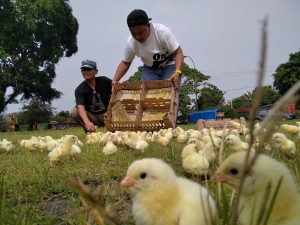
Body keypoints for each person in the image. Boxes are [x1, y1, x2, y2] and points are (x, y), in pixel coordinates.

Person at [112, 9, 184, 89]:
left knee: (170, 90)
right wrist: (115, 80)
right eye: (134, 34)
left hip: (169, 65)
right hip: (150, 69)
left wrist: (177, 72)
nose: (137, 37)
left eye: (141, 33)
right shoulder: (131, 43)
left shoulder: (162, 32)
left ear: (148, 25)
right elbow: (125, 63)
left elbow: (178, 53)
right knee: (145, 94)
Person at [71, 60, 112, 133]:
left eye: (89, 69)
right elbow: (80, 107)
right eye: (84, 70)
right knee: (74, 111)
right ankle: (90, 132)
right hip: (92, 116)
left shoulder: (104, 80)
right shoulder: (79, 89)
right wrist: (87, 122)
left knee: (119, 105)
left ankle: (115, 131)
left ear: (96, 71)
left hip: (106, 114)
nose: (86, 72)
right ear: (81, 72)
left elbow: (116, 89)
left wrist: (110, 110)